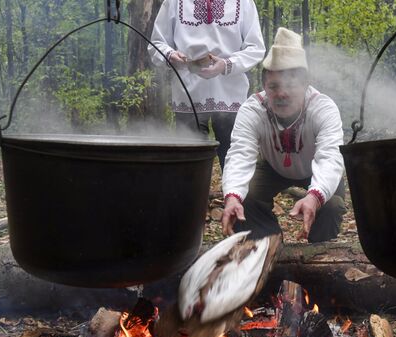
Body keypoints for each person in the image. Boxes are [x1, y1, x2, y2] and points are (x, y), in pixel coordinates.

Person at [221, 27, 346, 242]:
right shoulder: (253, 110)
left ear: (305, 83)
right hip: (272, 167)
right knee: (245, 198)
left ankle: (318, 255)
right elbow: (241, 153)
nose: (281, 94)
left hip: (315, 169)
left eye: (290, 85)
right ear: (264, 86)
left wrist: (315, 196)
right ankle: (269, 248)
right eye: (274, 86)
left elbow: (330, 156)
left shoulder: (323, 108)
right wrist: (232, 196)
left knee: (332, 205)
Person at [148, 0, 266, 170]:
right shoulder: (174, 2)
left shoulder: (244, 2)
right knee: (189, 160)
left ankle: (233, 196)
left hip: (230, 94)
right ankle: (191, 196)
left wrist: (226, 65)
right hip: (187, 93)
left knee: (233, 156)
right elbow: (156, 44)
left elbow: (255, 48)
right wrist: (170, 54)